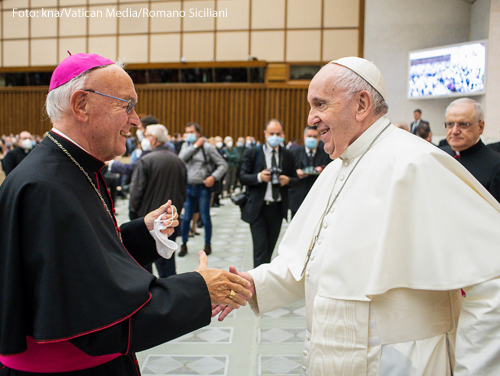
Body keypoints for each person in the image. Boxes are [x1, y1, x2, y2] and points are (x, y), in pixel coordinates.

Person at [215, 57, 500, 375]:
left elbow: (492, 280)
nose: (311, 119)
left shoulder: (417, 163)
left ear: (361, 104)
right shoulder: (336, 169)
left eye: (320, 104)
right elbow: (311, 265)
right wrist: (251, 283)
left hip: (400, 363)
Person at [0, 53, 251, 375]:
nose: (135, 120)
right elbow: (99, 321)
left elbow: (84, 263)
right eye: (126, 105)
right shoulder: (47, 188)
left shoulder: (70, 168)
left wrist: (142, 233)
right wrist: (199, 288)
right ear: (81, 105)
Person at [129, 124, 187, 278]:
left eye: (146, 135)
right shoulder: (178, 161)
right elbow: (183, 192)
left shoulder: (145, 160)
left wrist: (133, 214)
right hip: (170, 219)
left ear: (153, 139)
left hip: (146, 221)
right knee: (168, 266)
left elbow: (136, 193)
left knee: (144, 267)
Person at [239, 119, 298, 267]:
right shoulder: (253, 152)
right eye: (272, 133)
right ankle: (257, 286)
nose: (275, 136)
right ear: (265, 134)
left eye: (278, 134)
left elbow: (296, 179)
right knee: (260, 249)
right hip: (258, 209)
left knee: (270, 249)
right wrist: (259, 177)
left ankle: (262, 281)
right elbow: (242, 177)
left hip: (277, 208)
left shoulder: (288, 154)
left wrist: (288, 180)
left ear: (283, 134)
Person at [178, 122, 228, 257]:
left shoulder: (208, 148)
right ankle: (184, 244)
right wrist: (195, 146)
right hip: (188, 187)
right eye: (187, 132)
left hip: (203, 188)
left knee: (205, 217)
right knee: (186, 217)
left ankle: (207, 244)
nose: (189, 134)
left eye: (191, 132)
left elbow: (223, 164)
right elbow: (180, 159)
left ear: (198, 133)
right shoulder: (185, 146)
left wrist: (213, 177)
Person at [440, 98, 500, 202]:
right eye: (450, 124)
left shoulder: (496, 165)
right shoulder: (438, 154)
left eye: (463, 124)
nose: (454, 131)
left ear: (480, 127)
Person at [289, 125, 331, 217]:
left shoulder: (326, 153)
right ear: (304, 137)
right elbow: (287, 172)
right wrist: (296, 172)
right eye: (309, 136)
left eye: (315, 137)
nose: (311, 139)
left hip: (318, 198)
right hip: (298, 198)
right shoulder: (293, 152)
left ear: (319, 138)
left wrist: (322, 169)